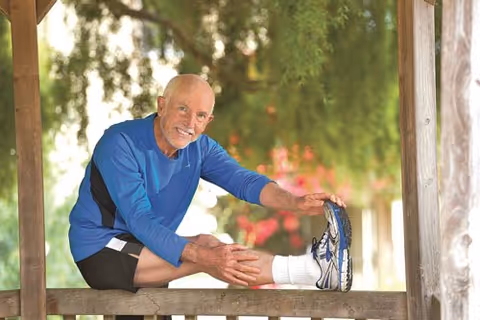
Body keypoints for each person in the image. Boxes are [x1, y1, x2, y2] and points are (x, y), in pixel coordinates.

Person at [68, 74, 353, 302]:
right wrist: (203, 257)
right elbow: (140, 220)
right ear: (161, 105)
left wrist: (296, 202)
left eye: (200, 116)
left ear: (208, 121)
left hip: (148, 247)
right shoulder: (120, 143)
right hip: (100, 249)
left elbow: (245, 182)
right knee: (208, 254)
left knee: (209, 245)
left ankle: (316, 270)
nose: (190, 123)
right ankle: (314, 270)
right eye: (183, 109)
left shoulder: (200, 149)